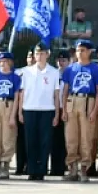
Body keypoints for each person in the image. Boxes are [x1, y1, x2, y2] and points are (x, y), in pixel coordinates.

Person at [16, 43, 61, 181]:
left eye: (42, 53)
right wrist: (19, 112)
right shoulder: (26, 72)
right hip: (29, 109)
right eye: (37, 53)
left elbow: (56, 94)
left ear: (47, 55)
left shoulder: (54, 72)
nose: (39, 56)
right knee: (31, 141)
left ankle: (41, 170)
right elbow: (22, 93)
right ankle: (31, 169)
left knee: (45, 142)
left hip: (47, 110)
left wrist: (57, 114)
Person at [61, 40, 98, 182]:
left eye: (83, 50)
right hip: (72, 101)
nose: (80, 52)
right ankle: (72, 169)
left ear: (89, 51)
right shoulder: (70, 69)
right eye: (78, 50)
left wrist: (95, 111)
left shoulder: (96, 69)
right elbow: (66, 90)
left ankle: (84, 169)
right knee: (71, 137)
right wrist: (64, 109)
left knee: (86, 137)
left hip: (88, 101)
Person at [0, 52, 21, 179]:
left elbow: (17, 97)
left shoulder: (15, 77)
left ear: (10, 63)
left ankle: (6, 164)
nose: (3, 64)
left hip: (9, 105)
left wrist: (13, 115)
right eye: (0, 62)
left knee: (8, 137)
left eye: (5, 61)